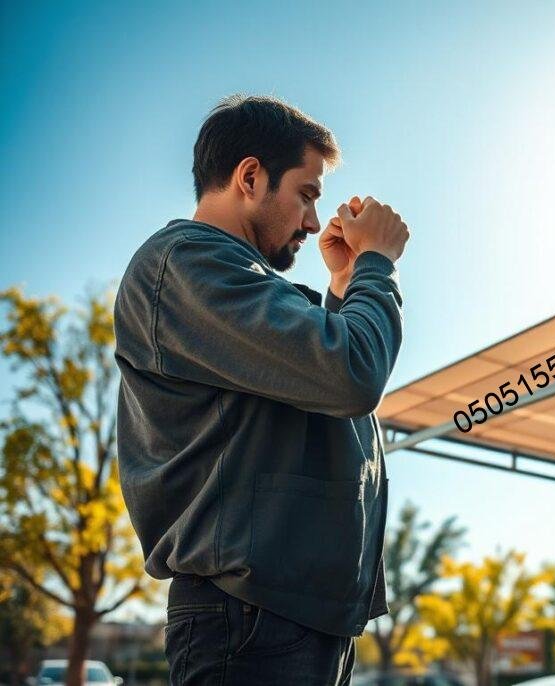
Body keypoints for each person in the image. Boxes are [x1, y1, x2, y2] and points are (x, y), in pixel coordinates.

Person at [113, 94, 410, 684]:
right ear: (250, 177)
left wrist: (346, 284)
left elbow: (318, 387)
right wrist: (378, 264)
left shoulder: (230, 279)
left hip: (288, 615)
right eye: (306, 194)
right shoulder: (187, 263)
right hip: (250, 617)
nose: (312, 221)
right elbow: (351, 373)